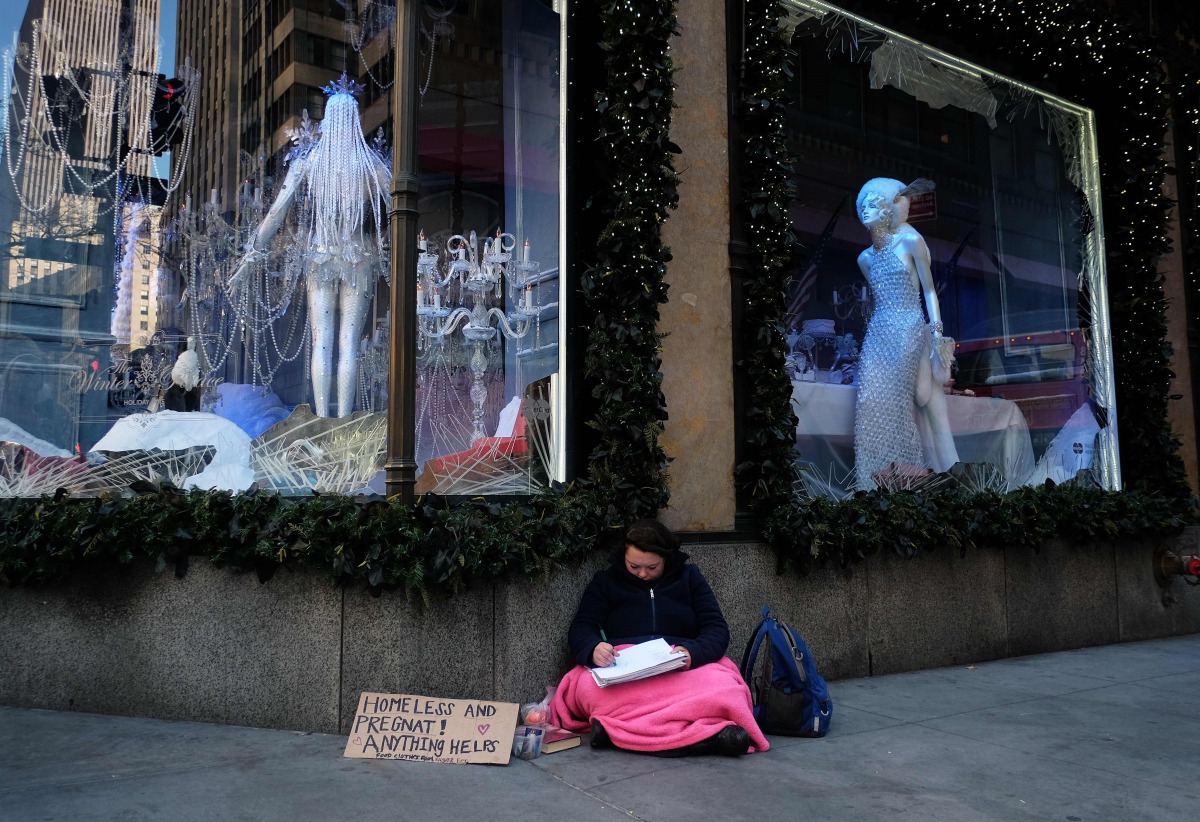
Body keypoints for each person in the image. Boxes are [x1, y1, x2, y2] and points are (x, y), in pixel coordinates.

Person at [229, 74, 390, 418]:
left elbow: (275, 214)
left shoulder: (309, 161)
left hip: (319, 255)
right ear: (354, 122)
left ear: (329, 121)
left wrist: (249, 257)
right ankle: (343, 425)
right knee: (348, 345)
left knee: (323, 341)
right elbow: (402, 206)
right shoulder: (372, 165)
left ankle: (321, 422)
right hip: (359, 257)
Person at [550, 518, 769, 757]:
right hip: (623, 665)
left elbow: (716, 628)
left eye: (652, 567)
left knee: (725, 686)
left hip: (679, 665)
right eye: (634, 567)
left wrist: (692, 653)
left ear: (666, 559)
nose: (643, 574)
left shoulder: (689, 578)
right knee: (586, 687)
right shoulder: (606, 581)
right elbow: (582, 626)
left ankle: (618, 731)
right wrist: (593, 648)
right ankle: (708, 737)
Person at [853, 177, 958, 489]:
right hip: (879, 333)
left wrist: (936, 333)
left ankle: (903, 482)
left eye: (874, 203)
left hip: (909, 327)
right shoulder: (864, 259)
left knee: (899, 404)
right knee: (869, 403)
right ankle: (870, 483)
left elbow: (929, 292)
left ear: (887, 208)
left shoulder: (911, 242)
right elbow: (875, 301)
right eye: (863, 204)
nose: (866, 210)